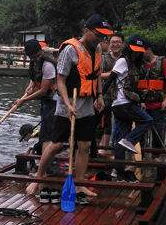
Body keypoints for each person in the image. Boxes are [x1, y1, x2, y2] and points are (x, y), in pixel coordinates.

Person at [26, 14, 110, 203]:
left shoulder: (97, 49)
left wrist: (100, 95)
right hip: (68, 102)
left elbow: (96, 75)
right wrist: (68, 104)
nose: (101, 38)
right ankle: (39, 177)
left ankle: (80, 184)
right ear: (86, 31)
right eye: (98, 34)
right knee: (56, 144)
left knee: (85, 145)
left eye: (103, 35)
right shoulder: (70, 49)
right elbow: (60, 81)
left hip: (87, 103)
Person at [102, 36, 153, 181]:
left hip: (124, 104)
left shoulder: (136, 65)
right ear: (128, 49)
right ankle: (129, 140)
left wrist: (141, 100)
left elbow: (136, 87)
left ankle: (118, 172)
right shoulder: (123, 61)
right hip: (123, 103)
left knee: (120, 139)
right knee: (148, 121)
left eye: (139, 51)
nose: (136, 53)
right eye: (133, 50)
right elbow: (110, 79)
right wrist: (99, 96)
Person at [14, 38, 57, 171]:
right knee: (44, 134)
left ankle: (45, 168)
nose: (37, 58)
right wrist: (31, 86)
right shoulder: (34, 62)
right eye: (33, 57)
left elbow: (43, 90)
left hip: (54, 101)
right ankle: (46, 165)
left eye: (38, 55)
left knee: (47, 135)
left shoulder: (48, 64)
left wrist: (23, 100)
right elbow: (35, 77)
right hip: (45, 100)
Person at [134, 35, 166, 148]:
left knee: (158, 131)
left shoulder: (162, 61)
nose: (140, 54)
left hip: (157, 104)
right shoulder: (138, 63)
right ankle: (140, 154)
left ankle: (157, 154)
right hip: (142, 105)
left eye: (142, 51)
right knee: (140, 132)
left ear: (149, 49)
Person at [96, 34, 123, 151]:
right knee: (103, 120)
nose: (115, 44)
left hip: (121, 94)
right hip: (105, 92)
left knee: (121, 121)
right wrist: (114, 73)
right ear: (109, 43)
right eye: (113, 42)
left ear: (122, 44)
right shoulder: (103, 57)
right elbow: (98, 75)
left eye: (118, 42)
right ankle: (103, 147)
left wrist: (111, 74)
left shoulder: (125, 58)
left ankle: (115, 147)